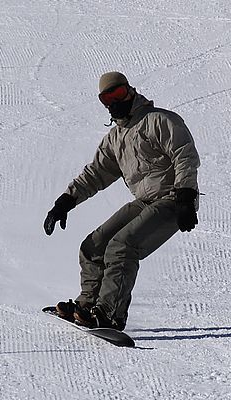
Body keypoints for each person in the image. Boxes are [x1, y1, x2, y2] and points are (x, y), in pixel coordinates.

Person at [43, 71, 201, 330]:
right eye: (108, 97)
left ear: (130, 91)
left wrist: (185, 195)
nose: (116, 101)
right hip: (145, 201)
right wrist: (65, 202)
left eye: (119, 93)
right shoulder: (116, 139)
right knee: (93, 246)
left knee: (121, 246)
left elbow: (184, 155)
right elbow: (95, 174)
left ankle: (110, 314)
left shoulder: (159, 120)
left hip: (173, 200)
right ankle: (87, 306)